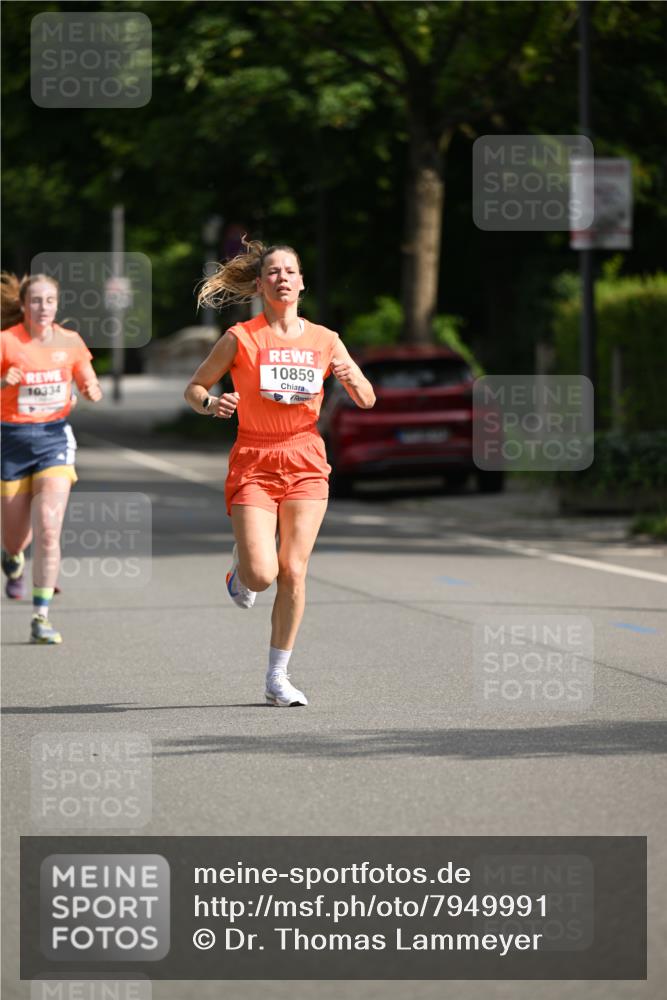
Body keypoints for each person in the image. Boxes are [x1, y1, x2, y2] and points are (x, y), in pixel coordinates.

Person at [185, 238, 375, 706]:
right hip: (253, 458)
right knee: (261, 575)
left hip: (306, 459)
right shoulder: (241, 338)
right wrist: (212, 404)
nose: (282, 278)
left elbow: (368, 399)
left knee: (293, 569)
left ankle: (277, 678)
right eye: (273, 272)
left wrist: (350, 375)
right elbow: (194, 387)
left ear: (302, 282)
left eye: (290, 271)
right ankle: (241, 570)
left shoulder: (326, 339)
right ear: (259, 285)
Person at [0, 272, 102, 643]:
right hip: (9, 442)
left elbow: (88, 380)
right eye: (36, 301)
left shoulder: (70, 341)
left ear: (57, 305)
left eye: (49, 301)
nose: (43, 307)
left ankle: (40, 616)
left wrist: (90, 388)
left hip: (53, 441)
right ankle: (12, 560)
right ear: (24, 305)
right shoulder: (6, 342)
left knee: (48, 527)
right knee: (15, 540)